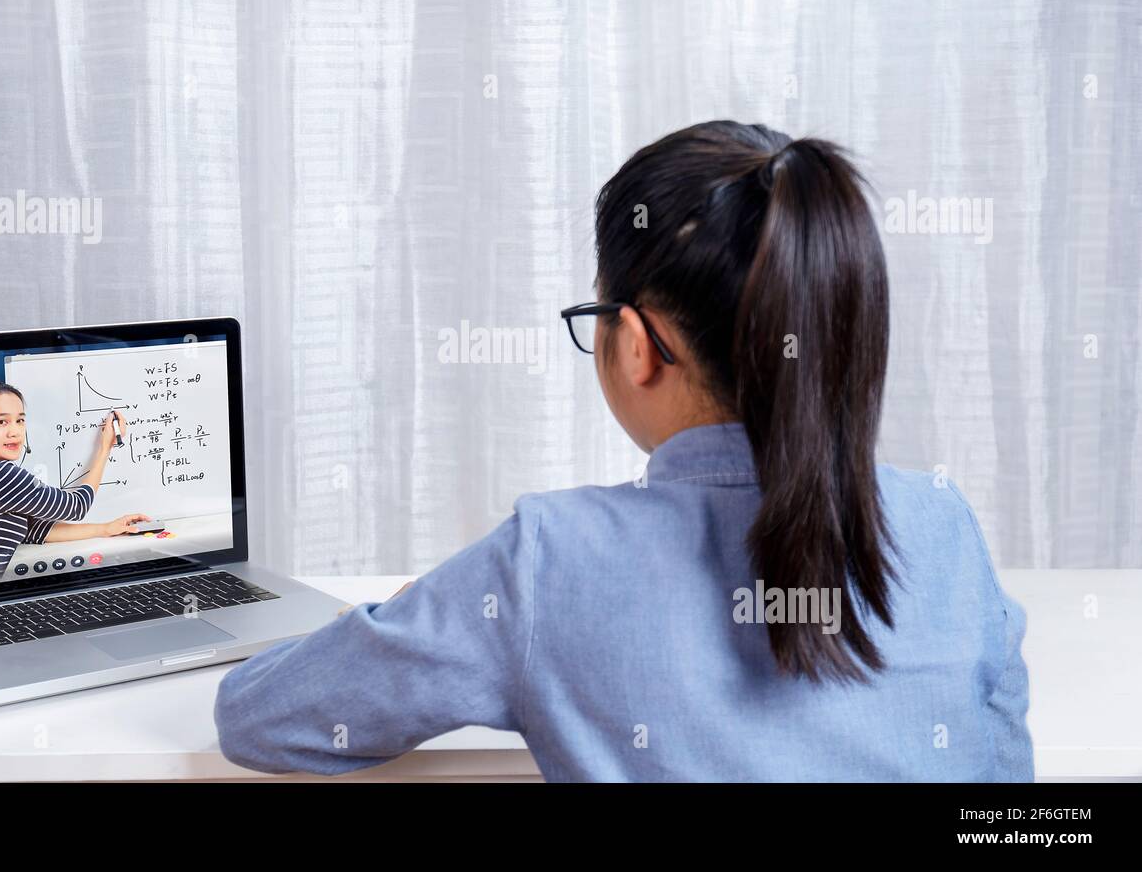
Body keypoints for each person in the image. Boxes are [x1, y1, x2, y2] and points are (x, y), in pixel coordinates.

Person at [213, 120, 1034, 781]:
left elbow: (258, 720)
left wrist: (414, 623)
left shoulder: (547, 564)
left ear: (636, 344)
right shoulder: (943, 525)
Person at [0, 381, 149, 585]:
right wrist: (105, 449)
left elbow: (33, 531)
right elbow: (76, 507)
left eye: (20, 420)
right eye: (1, 422)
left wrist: (106, 528)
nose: (14, 432)